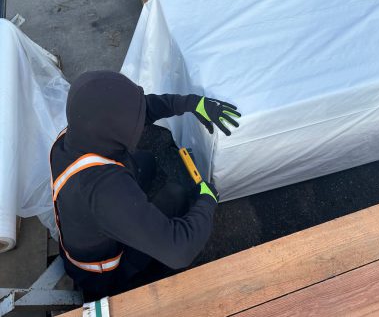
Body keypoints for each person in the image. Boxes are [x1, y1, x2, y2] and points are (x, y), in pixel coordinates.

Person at [49, 71, 240, 301]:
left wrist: (192, 103)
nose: (140, 120)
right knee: (177, 195)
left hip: (91, 226)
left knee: (146, 162)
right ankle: (137, 278)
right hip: (106, 274)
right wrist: (207, 201)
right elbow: (179, 250)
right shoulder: (105, 191)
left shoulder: (77, 133)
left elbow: (144, 107)